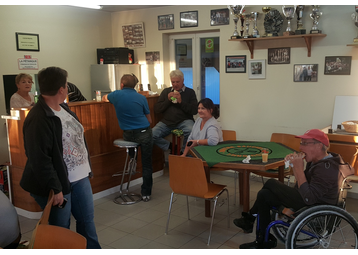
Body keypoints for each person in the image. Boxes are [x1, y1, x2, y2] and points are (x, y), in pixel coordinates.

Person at [19, 66, 101, 249]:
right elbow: (39, 158)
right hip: (58, 184)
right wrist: (55, 189)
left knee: (87, 223)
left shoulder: (64, 108)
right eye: (65, 85)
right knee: (60, 229)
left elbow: (78, 140)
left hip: (80, 178)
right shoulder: (38, 118)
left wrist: (87, 169)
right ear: (62, 89)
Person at [234, 129, 354, 249]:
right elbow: (300, 187)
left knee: (271, 183)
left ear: (319, 146)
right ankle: (261, 241)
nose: (300, 147)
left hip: (314, 207)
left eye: (305, 143)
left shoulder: (326, 169)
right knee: (264, 194)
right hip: (309, 199)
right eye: (301, 143)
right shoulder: (321, 161)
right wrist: (294, 166)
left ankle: (250, 219)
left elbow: (308, 198)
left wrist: (299, 169)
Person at [102, 74, 153, 202]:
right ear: (134, 85)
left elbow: (104, 98)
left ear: (122, 84)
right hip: (144, 132)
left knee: (132, 145)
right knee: (147, 164)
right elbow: (149, 120)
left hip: (128, 135)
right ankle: (146, 193)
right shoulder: (141, 98)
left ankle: (132, 159)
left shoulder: (116, 95)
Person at [152, 70, 198, 153]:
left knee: (192, 131)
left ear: (183, 80)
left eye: (178, 82)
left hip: (185, 121)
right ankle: (171, 147)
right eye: (173, 82)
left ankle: (184, 153)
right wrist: (168, 100)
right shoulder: (166, 91)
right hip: (167, 122)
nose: (175, 84)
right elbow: (157, 109)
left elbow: (194, 110)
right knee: (151, 135)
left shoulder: (190, 92)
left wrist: (181, 102)